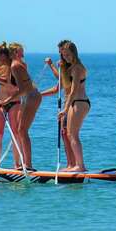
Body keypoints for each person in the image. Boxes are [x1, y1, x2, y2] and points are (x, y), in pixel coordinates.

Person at [0, 42, 42, 171]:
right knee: (20, 129)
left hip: (32, 96)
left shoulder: (15, 66)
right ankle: (26, 164)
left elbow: (23, 89)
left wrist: (6, 100)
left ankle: (28, 165)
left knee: (22, 130)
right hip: (28, 96)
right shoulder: (16, 65)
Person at [41, 40, 76, 170]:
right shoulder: (64, 66)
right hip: (67, 103)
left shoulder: (72, 67)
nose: (61, 54)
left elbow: (62, 80)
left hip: (72, 103)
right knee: (64, 133)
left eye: (63, 52)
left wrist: (52, 66)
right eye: (61, 52)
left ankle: (74, 164)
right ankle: (70, 164)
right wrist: (40, 95)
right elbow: (58, 86)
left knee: (68, 133)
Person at [57, 41, 90, 172]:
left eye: (68, 55)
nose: (66, 57)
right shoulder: (71, 67)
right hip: (74, 103)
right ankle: (76, 165)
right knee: (70, 134)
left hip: (80, 102)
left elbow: (74, 90)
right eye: (64, 55)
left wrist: (64, 109)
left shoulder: (77, 68)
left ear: (74, 53)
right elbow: (65, 85)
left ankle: (80, 166)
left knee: (73, 134)